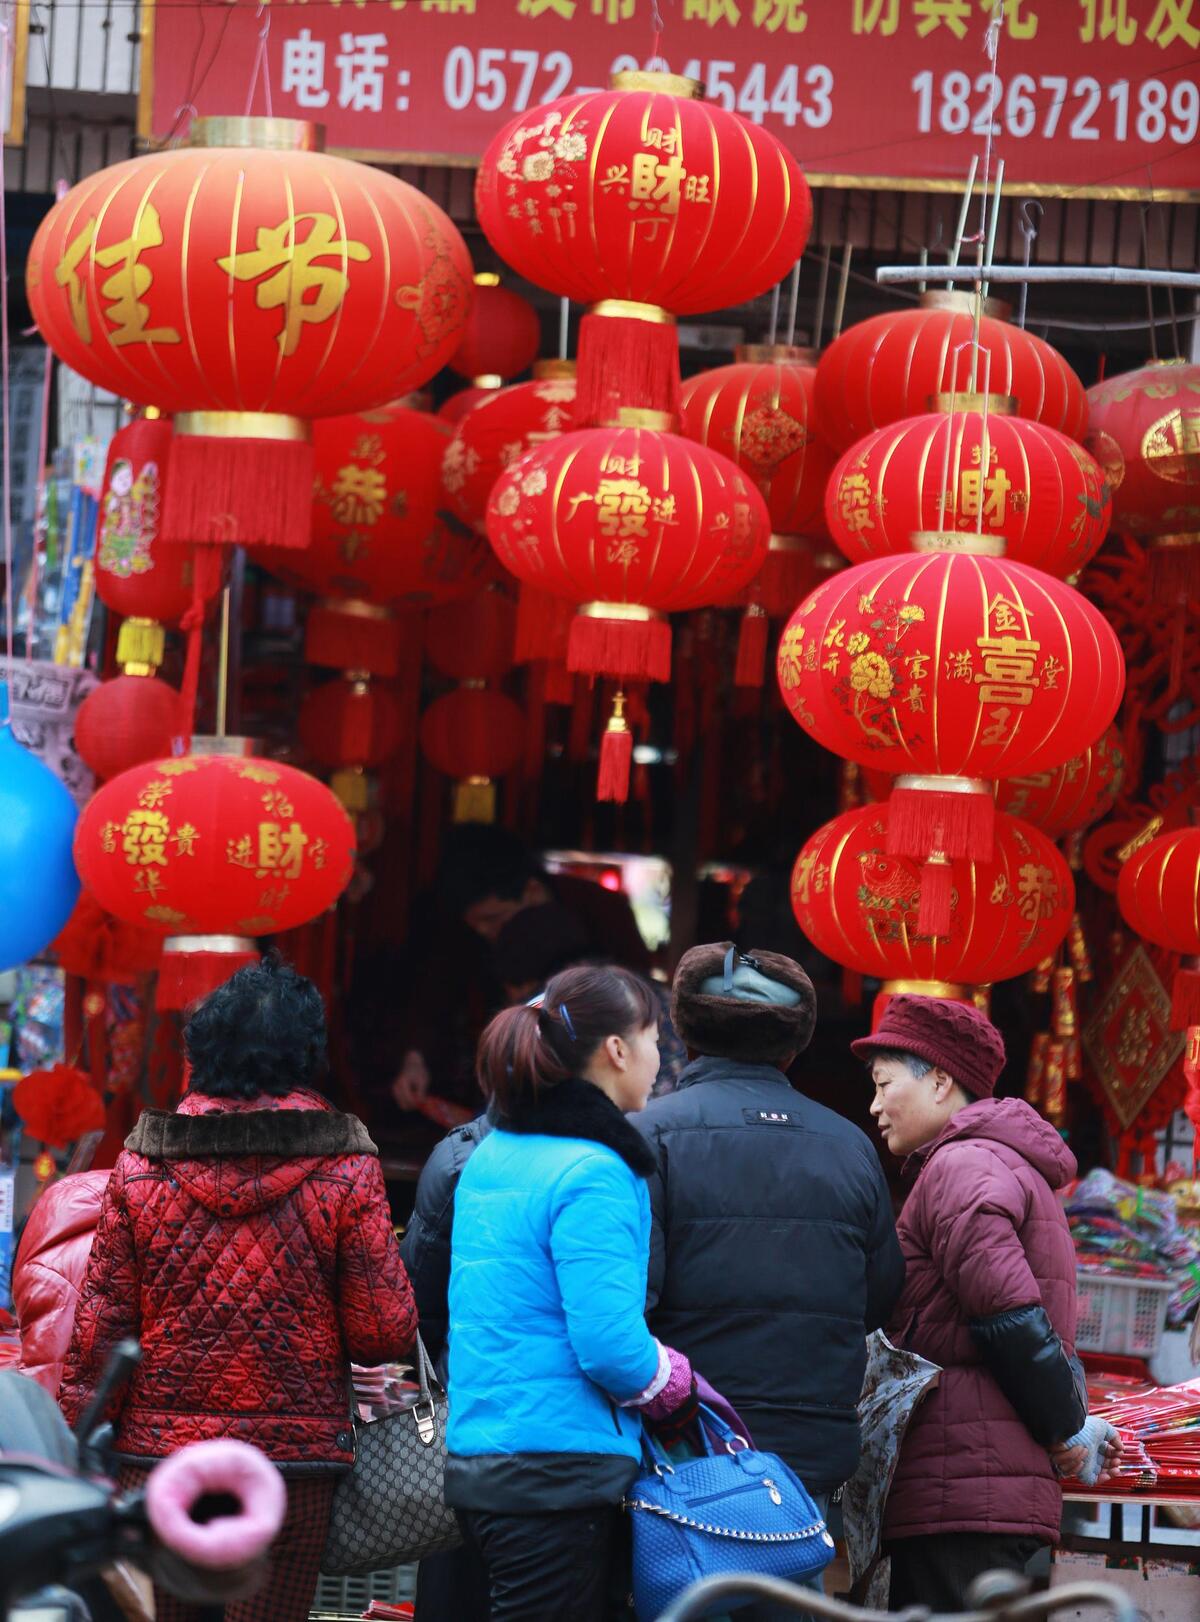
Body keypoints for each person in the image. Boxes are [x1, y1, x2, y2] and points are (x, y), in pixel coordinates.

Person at [59, 956, 418, 1622]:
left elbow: (99, 1331)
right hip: (292, 1466)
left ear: (204, 1051)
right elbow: (383, 1334)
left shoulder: (142, 1160)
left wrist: (70, 1438)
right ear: (305, 1054)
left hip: (162, 1460)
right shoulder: (345, 1162)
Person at [633, 942, 905, 1622]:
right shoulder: (850, 1147)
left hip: (680, 1447)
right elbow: (882, 1297)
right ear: (795, 1045)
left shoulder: (647, 1136)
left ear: (684, 1030)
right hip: (805, 1455)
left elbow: (630, 1300)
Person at [445, 963, 696, 1620]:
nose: (658, 1057)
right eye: (653, 1038)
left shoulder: (493, 1155)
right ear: (616, 1050)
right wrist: (674, 1381)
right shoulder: (594, 1170)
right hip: (558, 1473)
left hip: (483, 1458)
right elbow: (609, 1344)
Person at [855, 994, 1116, 1611]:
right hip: (976, 1481)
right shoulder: (994, 1162)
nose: (873, 1106)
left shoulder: (962, 1165)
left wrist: (1067, 1427)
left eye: (884, 1083)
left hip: (961, 1485)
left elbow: (1011, 1318)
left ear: (940, 1080)